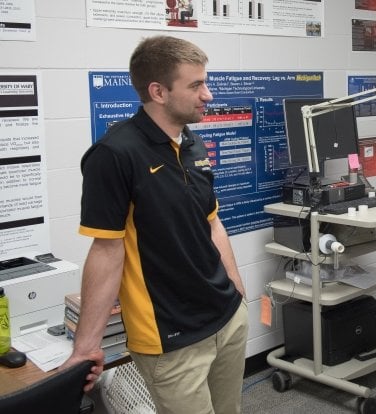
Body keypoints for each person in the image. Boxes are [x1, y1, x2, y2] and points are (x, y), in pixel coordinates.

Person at [60, 36, 248, 414]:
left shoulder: (191, 143)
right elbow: (107, 250)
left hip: (227, 320)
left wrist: (238, 293)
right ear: (158, 91)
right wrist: (85, 348)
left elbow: (212, 224)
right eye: (196, 85)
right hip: (171, 339)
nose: (208, 95)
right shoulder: (114, 155)